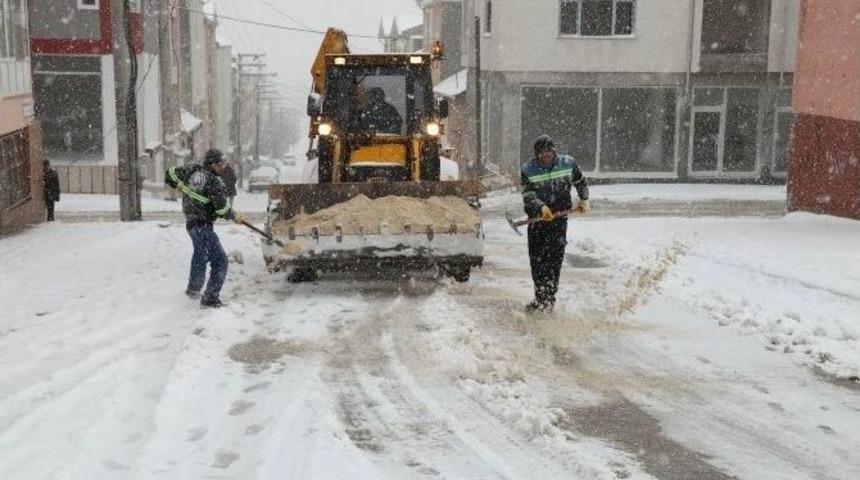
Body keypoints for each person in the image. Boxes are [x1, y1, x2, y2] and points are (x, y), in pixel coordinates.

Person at [165, 149, 245, 308]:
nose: (223, 167)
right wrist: (234, 216)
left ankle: (193, 290)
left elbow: (170, 173)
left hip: (191, 224)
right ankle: (210, 297)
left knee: (200, 255)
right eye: (221, 164)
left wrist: (179, 184)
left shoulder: (192, 170)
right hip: (203, 226)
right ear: (213, 164)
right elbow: (221, 209)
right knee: (221, 261)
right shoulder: (214, 182)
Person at [520, 135, 590, 313]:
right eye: (542, 153)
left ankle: (549, 300)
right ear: (537, 155)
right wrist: (541, 207)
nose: (546, 155)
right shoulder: (528, 169)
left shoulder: (567, 163)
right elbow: (528, 195)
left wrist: (584, 199)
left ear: (554, 150)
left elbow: (580, 181)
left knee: (554, 260)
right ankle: (539, 298)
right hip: (538, 221)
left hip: (558, 220)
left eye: (549, 151)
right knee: (537, 261)